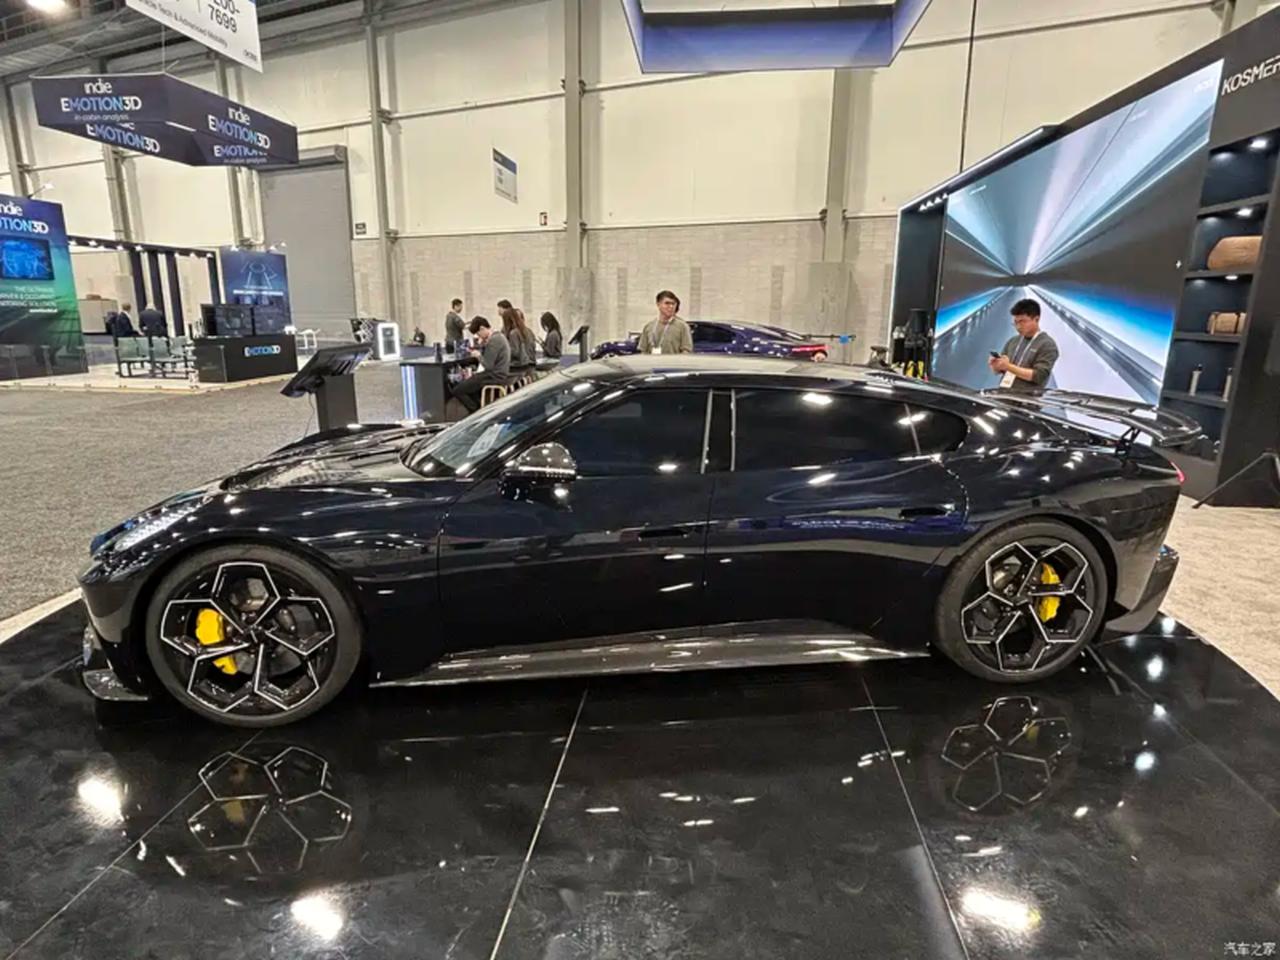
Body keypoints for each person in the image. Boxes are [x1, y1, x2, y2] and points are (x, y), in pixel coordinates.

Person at [989, 298, 1059, 394]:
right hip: (1003, 395)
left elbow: (1038, 376)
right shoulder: (1013, 341)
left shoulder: (1047, 344)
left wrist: (1008, 366)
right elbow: (999, 371)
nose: (1018, 327)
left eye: (1022, 321)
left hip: (1027, 400)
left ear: (1036, 319)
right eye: (1016, 322)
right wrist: (995, 366)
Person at [451, 316, 511, 414]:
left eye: (478, 334)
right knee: (471, 386)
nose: (478, 336)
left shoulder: (494, 340)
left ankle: (475, 411)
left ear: (482, 328)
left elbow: (488, 365)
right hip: (499, 373)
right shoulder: (499, 337)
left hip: (494, 376)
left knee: (458, 390)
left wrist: (478, 355)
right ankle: (478, 408)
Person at [638, 290, 693, 355]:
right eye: (667, 303)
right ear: (658, 304)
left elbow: (686, 351)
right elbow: (643, 351)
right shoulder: (649, 327)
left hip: (673, 361)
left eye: (673, 304)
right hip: (652, 361)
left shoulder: (682, 326)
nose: (671, 306)